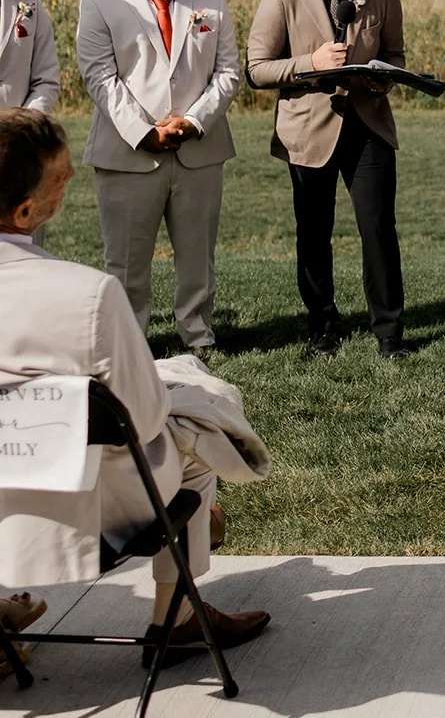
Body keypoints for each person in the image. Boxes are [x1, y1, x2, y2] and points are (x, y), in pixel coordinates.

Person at [0, 108, 270, 663]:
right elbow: (145, 419)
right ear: (26, 210)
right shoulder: (87, 295)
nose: (71, 181)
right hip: (87, 519)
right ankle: (179, 617)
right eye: (61, 176)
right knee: (191, 428)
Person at [245, 0, 408, 359]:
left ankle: (390, 333)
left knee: (378, 229)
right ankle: (323, 327)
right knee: (314, 233)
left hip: (369, 127)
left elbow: (395, 54)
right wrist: (309, 63)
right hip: (307, 132)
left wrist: (385, 77)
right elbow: (256, 70)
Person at [77, 0, 240, 350]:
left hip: (198, 150)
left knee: (198, 255)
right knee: (126, 261)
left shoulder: (211, 3)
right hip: (127, 153)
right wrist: (144, 132)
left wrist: (193, 121)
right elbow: (100, 78)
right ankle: (129, 341)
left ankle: (199, 335)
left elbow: (228, 73)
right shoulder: (100, 4)